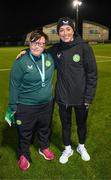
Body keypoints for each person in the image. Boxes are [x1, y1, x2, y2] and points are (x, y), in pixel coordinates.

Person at [16, 17, 97, 164]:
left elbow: (92, 74)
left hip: (81, 98)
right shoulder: (56, 49)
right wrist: (25, 51)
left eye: (68, 29)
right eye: (61, 30)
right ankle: (67, 149)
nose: (65, 33)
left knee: (81, 124)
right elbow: (40, 51)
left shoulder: (84, 48)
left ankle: (81, 146)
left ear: (73, 30)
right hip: (63, 97)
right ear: (58, 33)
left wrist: (88, 97)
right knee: (65, 125)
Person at [5, 30, 55, 171]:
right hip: (26, 106)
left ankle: (43, 147)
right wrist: (12, 106)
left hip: (47, 104)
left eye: (41, 43)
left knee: (45, 129)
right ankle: (24, 154)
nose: (37, 46)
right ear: (29, 43)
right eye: (34, 42)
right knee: (25, 132)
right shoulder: (20, 62)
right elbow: (14, 86)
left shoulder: (50, 58)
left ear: (45, 45)